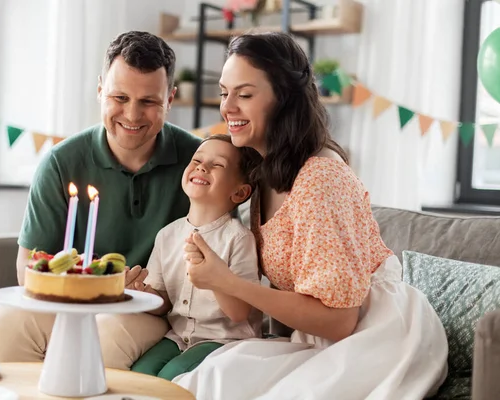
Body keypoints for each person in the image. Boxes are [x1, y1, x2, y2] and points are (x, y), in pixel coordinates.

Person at [172, 32, 449, 400]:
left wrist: (229, 282)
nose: (228, 107)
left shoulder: (321, 177)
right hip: (319, 336)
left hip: (381, 333)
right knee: (213, 377)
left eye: (245, 94)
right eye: (225, 93)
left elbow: (339, 319)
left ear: (284, 100)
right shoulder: (262, 173)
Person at [0, 31, 202, 369]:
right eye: (119, 97)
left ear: (170, 99)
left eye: (148, 101)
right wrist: (92, 286)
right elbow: (28, 271)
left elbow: (207, 271)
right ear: (100, 90)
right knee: (8, 322)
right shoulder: (61, 162)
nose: (132, 115)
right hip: (69, 300)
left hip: (149, 310)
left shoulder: (199, 163)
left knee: (107, 334)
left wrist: (153, 296)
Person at [128, 134, 264, 380]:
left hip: (224, 340)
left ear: (240, 192)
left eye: (217, 165)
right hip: (178, 336)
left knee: (172, 376)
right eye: (198, 160)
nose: (202, 167)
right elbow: (164, 303)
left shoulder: (239, 238)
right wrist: (143, 294)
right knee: (140, 375)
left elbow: (239, 313)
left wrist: (214, 278)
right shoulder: (167, 235)